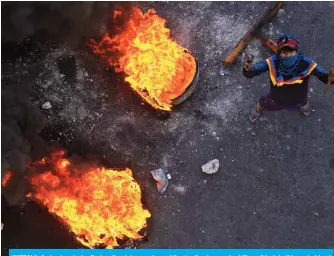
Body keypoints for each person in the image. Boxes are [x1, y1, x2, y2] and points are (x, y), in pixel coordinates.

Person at [243, 33, 334, 122]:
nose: (288, 55)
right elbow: (251, 73)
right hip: (276, 99)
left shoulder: (307, 64)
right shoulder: (272, 62)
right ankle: (258, 110)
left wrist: (331, 77)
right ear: (279, 53)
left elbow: (325, 78)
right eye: (284, 52)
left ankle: (304, 107)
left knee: (301, 102)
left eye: (291, 51)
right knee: (263, 102)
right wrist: (248, 68)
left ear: (296, 51)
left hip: (298, 99)